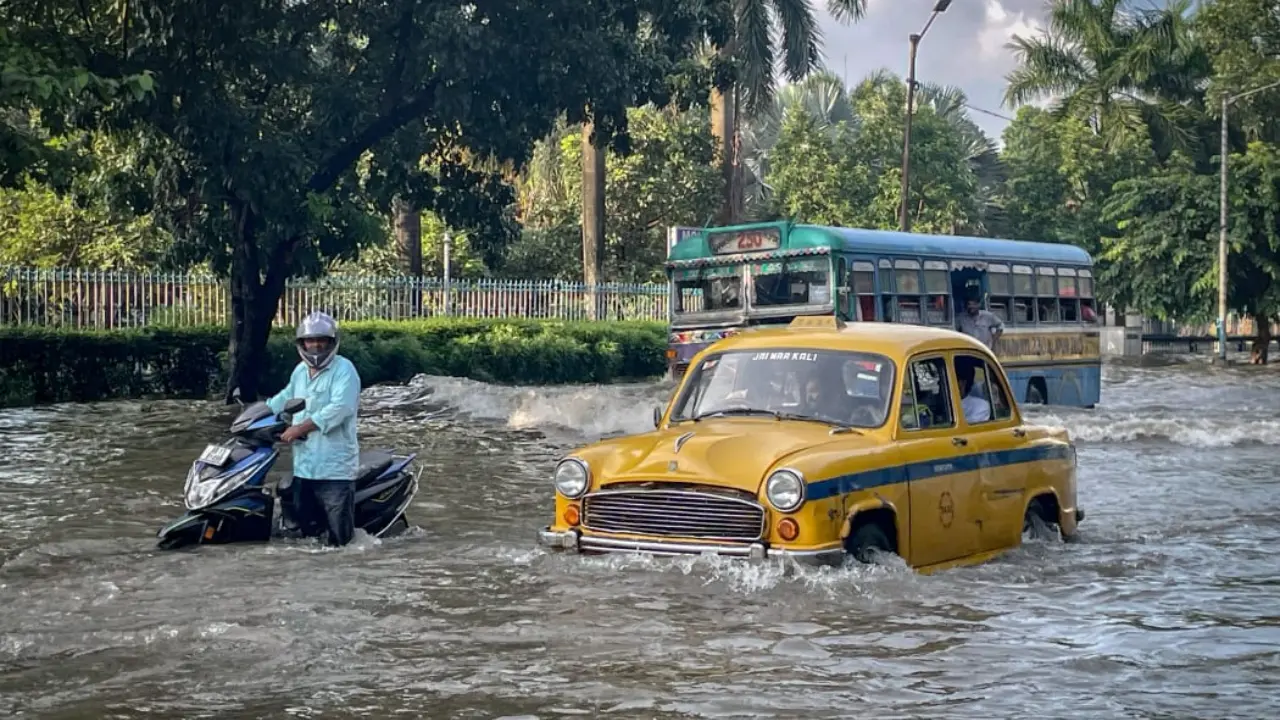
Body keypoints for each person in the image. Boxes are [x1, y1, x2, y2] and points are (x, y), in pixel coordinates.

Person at [266, 312, 362, 547]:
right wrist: (255, 416)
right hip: (305, 468)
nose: (316, 345)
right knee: (307, 538)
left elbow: (340, 408)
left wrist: (300, 428)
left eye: (322, 340)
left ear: (331, 342)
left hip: (335, 471)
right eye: (311, 340)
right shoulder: (300, 371)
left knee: (340, 543)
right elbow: (285, 398)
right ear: (302, 343)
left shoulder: (344, 370)